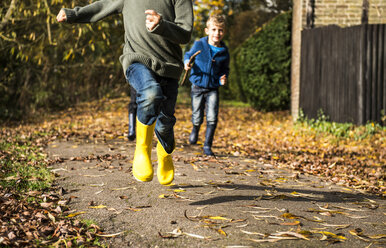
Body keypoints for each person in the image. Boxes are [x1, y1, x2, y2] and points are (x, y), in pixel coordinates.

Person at [57, 0, 193, 185]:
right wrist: (74, 14)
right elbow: (102, 6)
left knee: (165, 125)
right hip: (137, 60)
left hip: (169, 67)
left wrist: (162, 26)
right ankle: (142, 149)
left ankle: (164, 155)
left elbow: (185, 33)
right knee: (151, 93)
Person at [184, 14, 230, 156]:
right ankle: (195, 129)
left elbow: (225, 69)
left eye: (220, 30)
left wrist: (224, 78)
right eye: (214, 29)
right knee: (197, 115)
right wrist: (187, 63)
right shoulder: (199, 44)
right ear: (207, 30)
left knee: (212, 117)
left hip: (213, 88)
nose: (217, 33)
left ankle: (207, 145)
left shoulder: (224, 52)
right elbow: (188, 55)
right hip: (197, 86)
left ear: (224, 32)